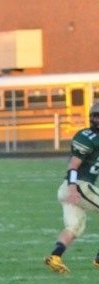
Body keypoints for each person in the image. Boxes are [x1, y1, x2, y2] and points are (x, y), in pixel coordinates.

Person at [44, 102, 99, 274]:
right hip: (77, 186)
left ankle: (55, 257)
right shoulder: (87, 137)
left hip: (71, 189)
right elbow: (73, 166)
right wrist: (74, 189)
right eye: (97, 116)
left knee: (74, 227)